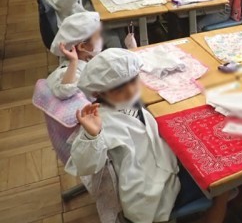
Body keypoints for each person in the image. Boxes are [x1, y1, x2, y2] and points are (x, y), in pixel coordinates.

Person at [66, 49, 229, 223]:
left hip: (163, 169)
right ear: (98, 93)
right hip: (151, 196)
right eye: (119, 88)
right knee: (224, 184)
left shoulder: (125, 103)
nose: (130, 90)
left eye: (133, 80)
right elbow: (86, 166)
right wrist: (92, 136)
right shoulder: (100, 122)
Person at [47, 12, 103, 99]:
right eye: (97, 37)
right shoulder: (67, 71)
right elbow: (64, 91)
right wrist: (73, 62)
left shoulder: (86, 60)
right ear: (82, 46)